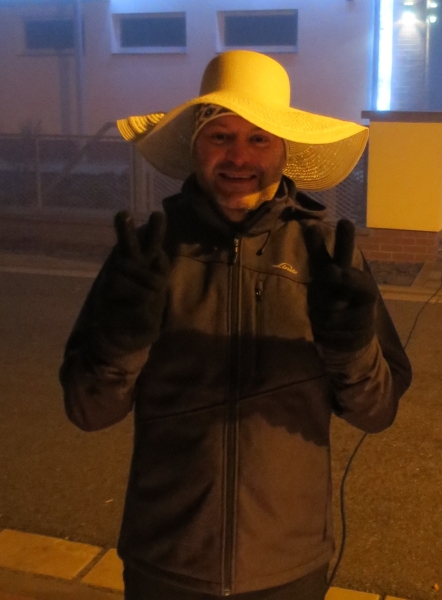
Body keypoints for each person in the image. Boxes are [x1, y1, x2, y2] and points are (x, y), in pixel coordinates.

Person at [59, 50, 412, 600]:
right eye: (220, 136)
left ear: (284, 149)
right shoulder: (147, 256)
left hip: (288, 569)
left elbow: (378, 412)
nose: (239, 156)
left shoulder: (328, 258)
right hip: (166, 562)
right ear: (195, 146)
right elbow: (88, 411)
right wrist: (121, 342)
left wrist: (351, 349)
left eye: (258, 138)